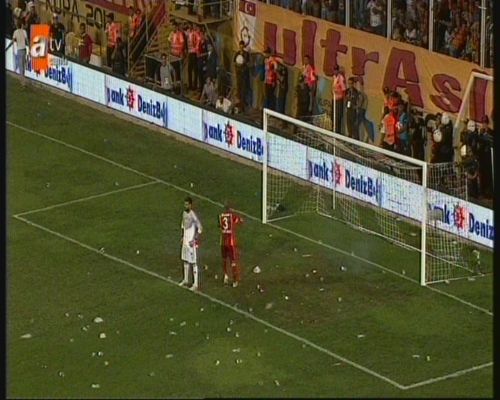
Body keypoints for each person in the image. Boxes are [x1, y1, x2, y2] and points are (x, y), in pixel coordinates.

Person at [179, 197, 203, 291]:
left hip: (190, 243)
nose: (185, 206)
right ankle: (186, 280)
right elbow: (183, 225)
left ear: (190, 205)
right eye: (184, 204)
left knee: (193, 262)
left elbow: (200, 228)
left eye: (187, 204)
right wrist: (182, 236)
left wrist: (194, 239)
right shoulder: (184, 213)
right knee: (185, 260)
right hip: (185, 241)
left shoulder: (193, 215)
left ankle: (195, 284)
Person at [218, 205, 244, 287]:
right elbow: (240, 221)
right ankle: (235, 280)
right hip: (230, 242)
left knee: (224, 260)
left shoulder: (221, 216)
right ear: (230, 209)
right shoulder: (232, 216)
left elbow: (219, 226)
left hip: (223, 241)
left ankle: (225, 276)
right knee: (233, 261)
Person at [9, 20, 29, 86]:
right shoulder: (24, 31)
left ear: (17, 25)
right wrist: (29, 47)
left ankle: (23, 82)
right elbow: (27, 40)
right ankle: (23, 81)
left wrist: (8, 46)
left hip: (19, 50)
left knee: (21, 67)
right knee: (23, 66)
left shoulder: (15, 32)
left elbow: (12, 41)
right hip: (24, 50)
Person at [233, 40, 250, 111]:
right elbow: (234, 62)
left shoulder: (246, 54)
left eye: (242, 46)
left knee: (243, 88)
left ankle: (243, 103)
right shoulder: (237, 53)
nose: (241, 48)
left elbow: (248, 63)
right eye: (240, 46)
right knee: (238, 88)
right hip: (238, 73)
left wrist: (243, 62)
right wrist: (237, 65)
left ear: (243, 46)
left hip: (243, 73)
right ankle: (239, 101)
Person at [356, 78, 374, 143]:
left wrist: (358, 108)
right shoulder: (360, 94)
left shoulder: (362, 95)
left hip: (362, 110)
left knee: (360, 124)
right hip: (361, 110)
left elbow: (361, 103)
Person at [331, 65, 346, 133]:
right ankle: (333, 129)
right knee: (333, 115)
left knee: (338, 116)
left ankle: (337, 132)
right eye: (334, 70)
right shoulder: (334, 77)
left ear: (338, 70)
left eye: (336, 70)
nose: (335, 71)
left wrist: (342, 97)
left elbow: (343, 89)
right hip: (334, 98)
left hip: (339, 99)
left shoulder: (341, 78)